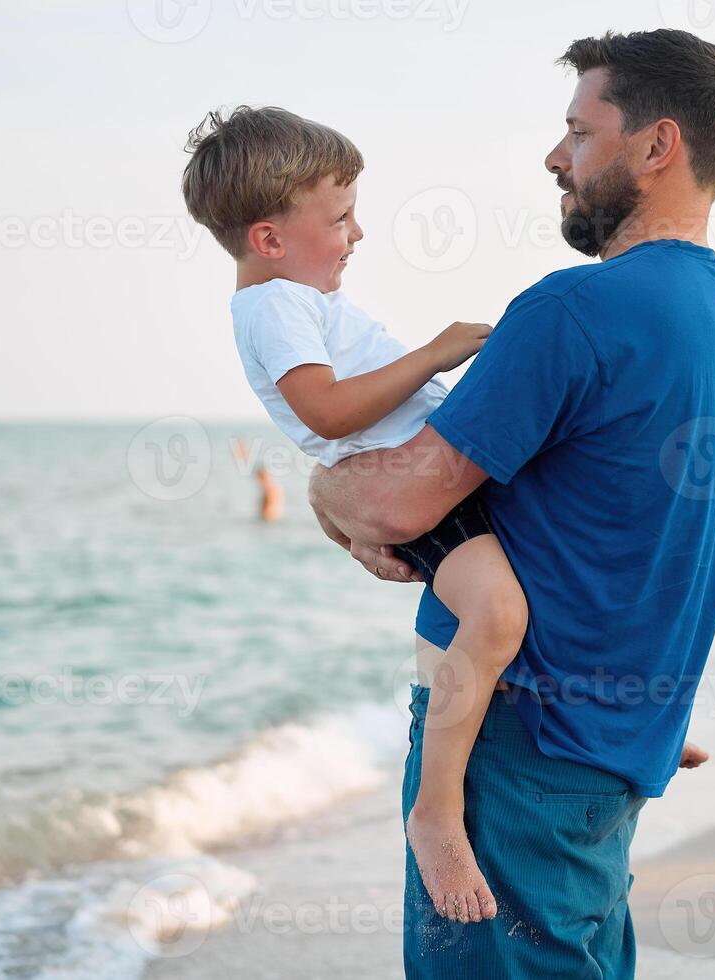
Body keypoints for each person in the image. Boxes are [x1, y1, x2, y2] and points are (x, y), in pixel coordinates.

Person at [308, 29, 715, 977]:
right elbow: (646, 532)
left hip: (520, 749)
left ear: (656, 145)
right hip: (614, 747)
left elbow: (397, 506)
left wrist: (321, 485)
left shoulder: (573, 310)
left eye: (579, 131)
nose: (555, 157)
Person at [182, 106, 529, 923]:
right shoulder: (273, 305)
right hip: (410, 488)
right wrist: (438, 352)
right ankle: (436, 812)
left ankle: (624, 724)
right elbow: (331, 414)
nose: (357, 233)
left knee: (555, 582)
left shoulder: (296, 300)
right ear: (269, 238)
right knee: (500, 611)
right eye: (339, 218)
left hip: (440, 473)